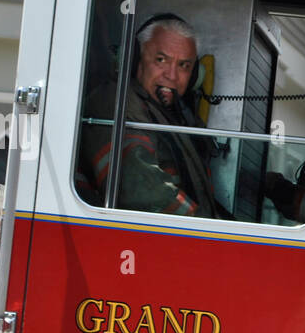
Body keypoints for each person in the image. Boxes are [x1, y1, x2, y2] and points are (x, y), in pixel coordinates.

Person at [85, 13, 230, 219]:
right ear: (134, 59)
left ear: (194, 75)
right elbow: (140, 190)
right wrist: (209, 234)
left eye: (184, 66)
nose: (171, 75)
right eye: (161, 60)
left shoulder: (178, 116)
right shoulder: (118, 103)